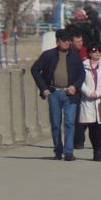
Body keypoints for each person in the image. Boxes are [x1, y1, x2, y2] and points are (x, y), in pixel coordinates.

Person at [29, 28, 84, 161]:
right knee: (55, 123)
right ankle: (58, 150)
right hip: (54, 93)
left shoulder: (75, 55)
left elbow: (82, 74)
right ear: (57, 42)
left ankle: (69, 151)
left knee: (70, 122)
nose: (66, 43)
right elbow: (35, 69)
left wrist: (75, 86)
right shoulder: (48, 55)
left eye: (68, 41)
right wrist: (44, 88)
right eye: (63, 41)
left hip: (70, 94)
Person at [76, 44, 101, 162]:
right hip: (87, 101)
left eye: (98, 51)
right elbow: (80, 82)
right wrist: (88, 92)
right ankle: (94, 149)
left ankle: (99, 152)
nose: (97, 53)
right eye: (94, 51)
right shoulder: (83, 66)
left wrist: (97, 93)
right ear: (89, 53)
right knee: (92, 127)